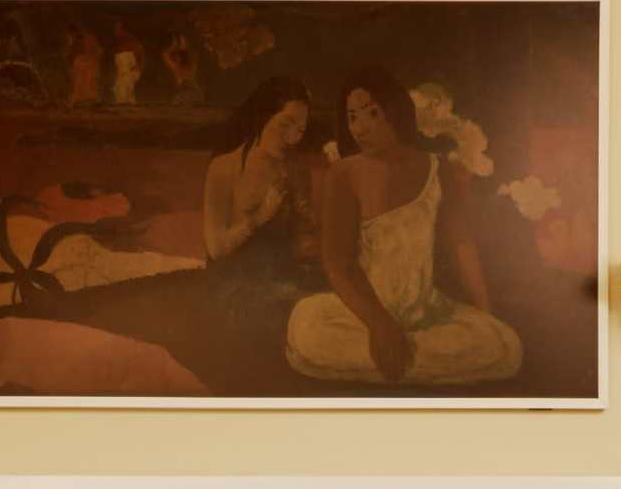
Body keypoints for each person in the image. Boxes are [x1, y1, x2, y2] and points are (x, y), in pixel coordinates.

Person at [284, 66, 521, 387]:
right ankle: (402, 356)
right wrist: (380, 326)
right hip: (362, 315)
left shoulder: (439, 171)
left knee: (501, 344)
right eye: (352, 117)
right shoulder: (344, 174)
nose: (360, 127)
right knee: (310, 336)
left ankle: (406, 356)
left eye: (371, 113)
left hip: (424, 317)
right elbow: (338, 263)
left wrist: (486, 312)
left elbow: (462, 243)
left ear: (395, 112)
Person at [198, 76, 324, 368]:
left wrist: (311, 228)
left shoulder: (297, 169)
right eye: (285, 124)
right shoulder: (225, 167)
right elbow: (216, 248)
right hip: (235, 285)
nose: (294, 137)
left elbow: (302, 244)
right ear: (264, 116)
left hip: (283, 275)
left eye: (301, 129)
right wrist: (260, 218)